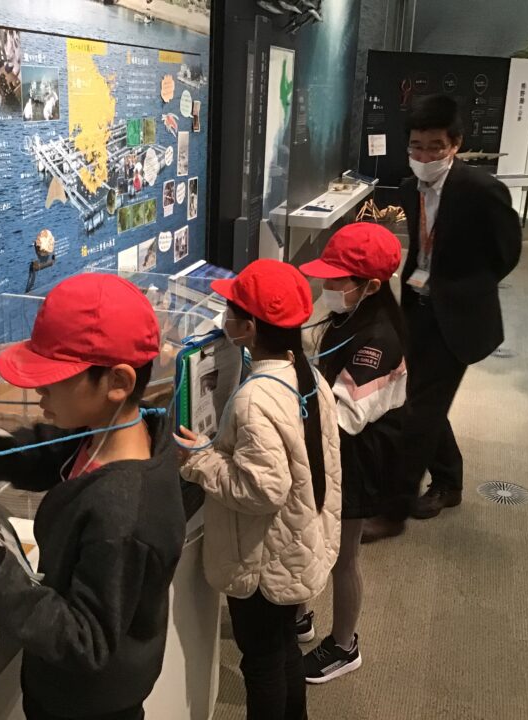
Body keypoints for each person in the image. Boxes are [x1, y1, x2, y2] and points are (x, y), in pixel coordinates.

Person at [0, 274, 186, 720]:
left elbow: (86, 640)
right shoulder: (115, 429)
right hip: (66, 688)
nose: (38, 389)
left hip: (88, 707)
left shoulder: (122, 515)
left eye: (54, 378)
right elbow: (52, 453)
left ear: (117, 381)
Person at [178, 259, 342, 720]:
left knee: (262, 662)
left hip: (262, 562)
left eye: (231, 311)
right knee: (283, 646)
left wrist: (198, 460)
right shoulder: (306, 373)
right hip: (297, 541)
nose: (224, 319)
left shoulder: (255, 398)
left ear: (249, 327)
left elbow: (261, 491)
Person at [392, 94, 522, 524]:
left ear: (456, 144)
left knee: (419, 409)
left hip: (459, 315)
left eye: (435, 147)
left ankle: (392, 508)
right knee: (422, 398)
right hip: (417, 307)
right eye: (416, 146)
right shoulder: (409, 188)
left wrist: (465, 288)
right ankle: (449, 481)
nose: (424, 156)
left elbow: (507, 253)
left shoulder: (482, 190)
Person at [296, 223, 408, 683]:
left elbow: (345, 414)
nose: (326, 286)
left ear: (371, 286)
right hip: (330, 449)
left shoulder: (379, 339)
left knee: (344, 556)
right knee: (307, 533)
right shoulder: (348, 317)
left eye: (336, 279)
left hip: (358, 458)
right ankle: (299, 614)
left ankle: (344, 645)